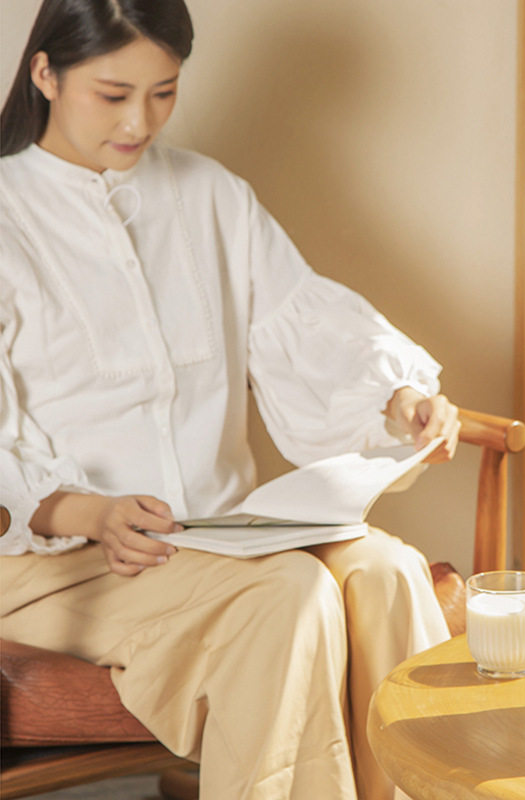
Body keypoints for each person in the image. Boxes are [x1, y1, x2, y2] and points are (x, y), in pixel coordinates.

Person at [0, 1, 461, 798]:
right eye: (113, 95)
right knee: (289, 596)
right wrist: (87, 513)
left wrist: (401, 397)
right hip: (58, 568)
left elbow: (304, 323)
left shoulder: (209, 195)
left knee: (386, 569)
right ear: (45, 73)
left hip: (222, 538)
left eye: (164, 92)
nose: (140, 122)